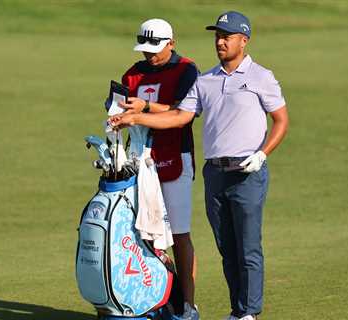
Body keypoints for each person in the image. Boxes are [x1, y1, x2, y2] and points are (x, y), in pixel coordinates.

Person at [111, 11, 289, 320]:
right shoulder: (205, 80)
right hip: (215, 172)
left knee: (247, 247)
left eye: (227, 36)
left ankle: (250, 314)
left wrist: (262, 154)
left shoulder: (261, 76)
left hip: (248, 171)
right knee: (227, 247)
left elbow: (281, 120)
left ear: (243, 41)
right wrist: (135, 118)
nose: (220, 41)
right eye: (217, 36)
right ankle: (238, 311)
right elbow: (179, 116)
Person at [118, 18, 200, 320]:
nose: (150, 56)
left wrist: (144, 109)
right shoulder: (134, 73)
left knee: (179, 233)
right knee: (145, 233)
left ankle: (188, 306)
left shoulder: (187, 69)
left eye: (156, 49)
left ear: (172, 42)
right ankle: (154, 299)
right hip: (139, 159)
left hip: (176, 155)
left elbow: (185, 112)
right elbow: (117, 106)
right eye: (146, 50)